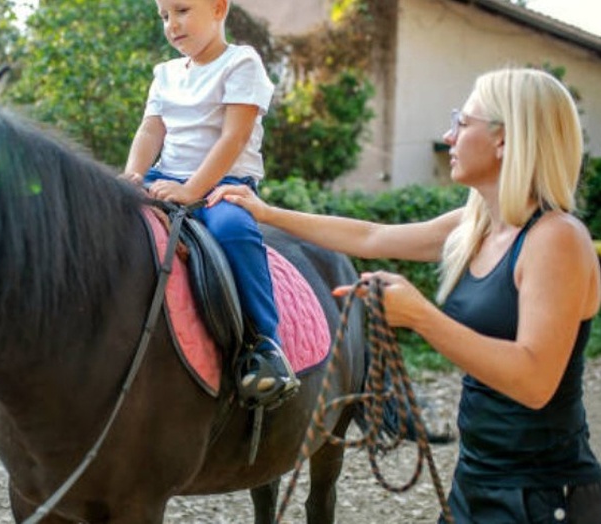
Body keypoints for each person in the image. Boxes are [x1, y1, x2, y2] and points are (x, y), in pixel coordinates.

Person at [208, 67, 601, 523]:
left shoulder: (557, 240)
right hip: (477, 479)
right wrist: (265, 212)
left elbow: (535, 383)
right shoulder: (474, 226)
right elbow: (374, 236)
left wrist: (420, 317)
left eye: (463, 122)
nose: (448, 136)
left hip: (542, 494)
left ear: (504, 140)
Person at [123, 0, 299, 408]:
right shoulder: (164, 74)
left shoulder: (241, 63)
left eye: (182, 10)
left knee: (232, 231)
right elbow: (150, 131)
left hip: (224, 183)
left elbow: (233, 137)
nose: (172, 24)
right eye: (164, 16)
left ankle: (264, 344)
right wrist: (134, 174)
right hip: (164, 179)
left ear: (219, 8)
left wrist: (193, 191)